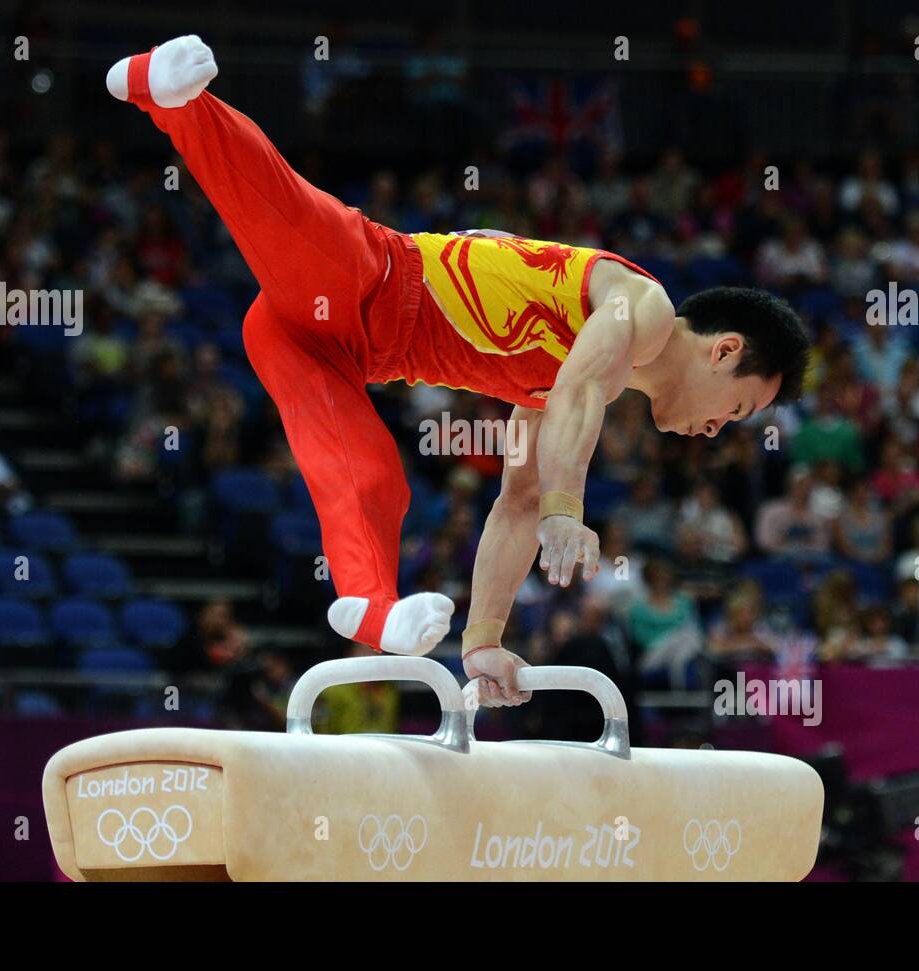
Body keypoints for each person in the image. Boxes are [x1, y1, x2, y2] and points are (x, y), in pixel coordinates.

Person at [107, 37, 810, 707]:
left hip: (340, 351)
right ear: (723, 350)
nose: (720, 430)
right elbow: (580, 393)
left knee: (369, 476)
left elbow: (517, 503)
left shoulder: (564, 381)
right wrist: (571, 511)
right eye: (739, 409)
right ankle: (166, 95)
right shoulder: (642, 308)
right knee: (277, 205)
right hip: (373, 278)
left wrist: (483, 643)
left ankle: (373, 610)